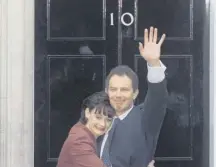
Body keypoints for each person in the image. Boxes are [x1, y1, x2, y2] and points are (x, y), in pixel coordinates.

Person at [97, 27, 168, 167]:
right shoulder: (97, 120)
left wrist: (153, 63)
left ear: (135, 93)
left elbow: (157, 97)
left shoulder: (145, 119)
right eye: (113, 89)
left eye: (124, 90)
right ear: (107, 92)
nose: (118, 95)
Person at [57, 91, 115, 167]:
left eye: (108, 120)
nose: (103, 124)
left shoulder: (82, 131)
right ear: (87, 113)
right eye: (98, 117)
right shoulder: (79, 141)